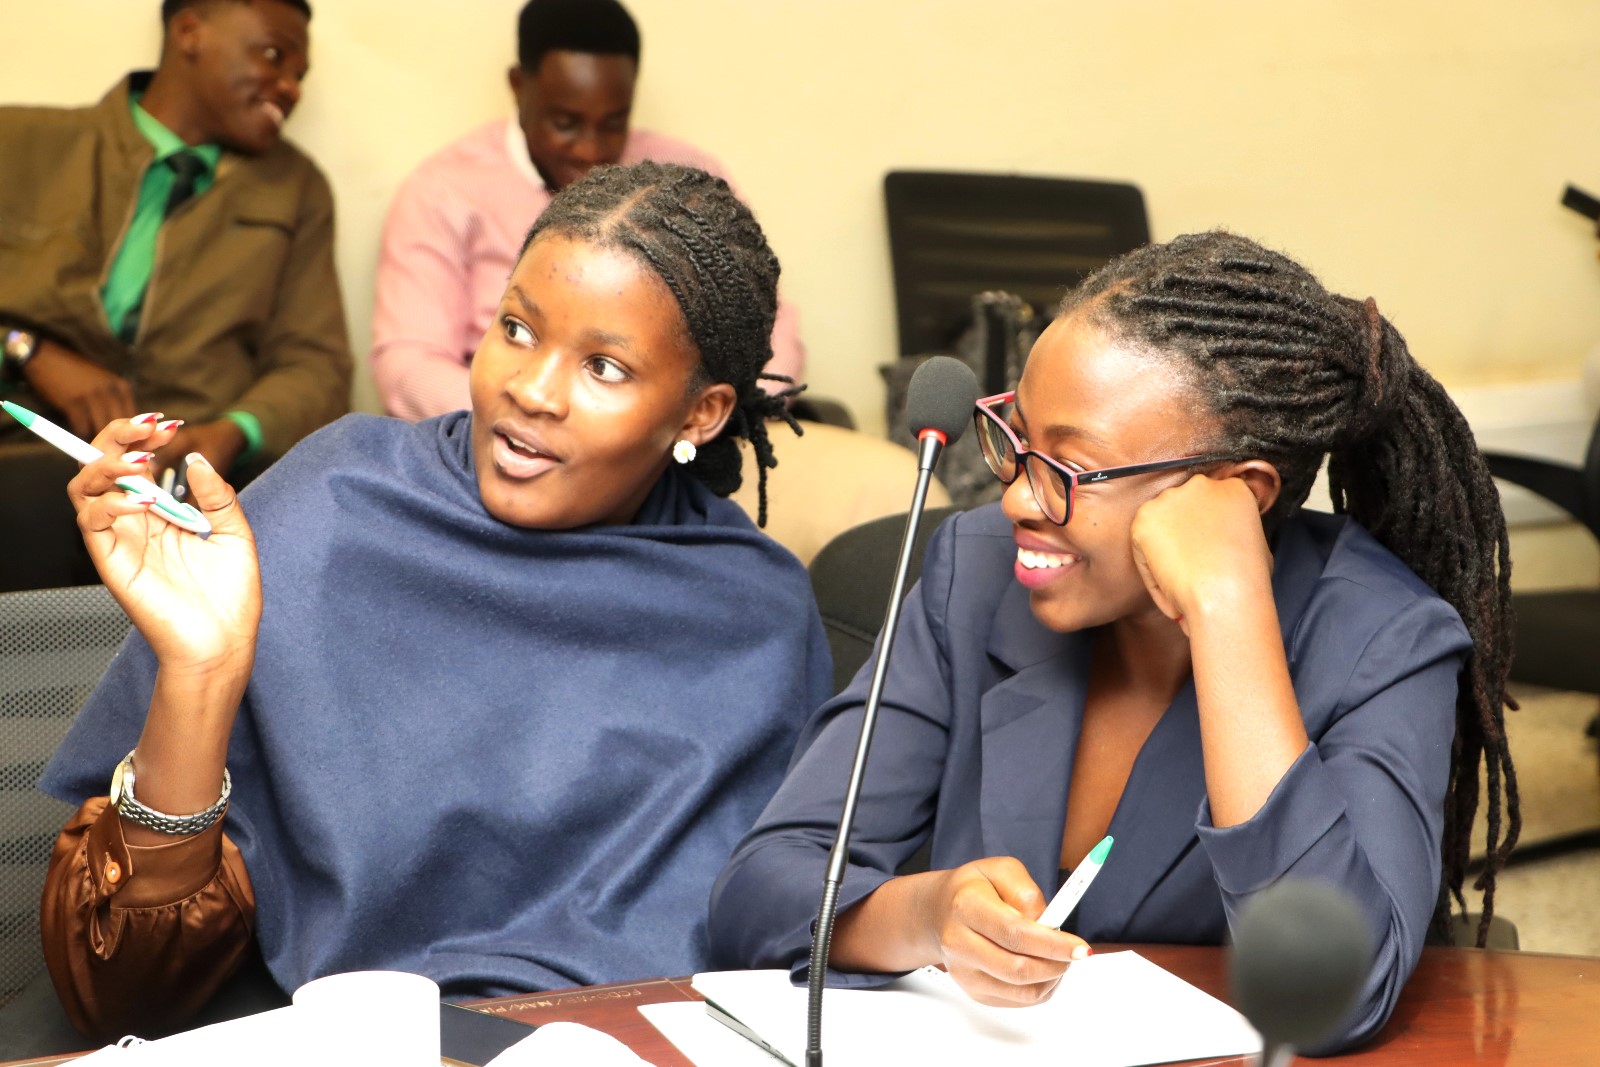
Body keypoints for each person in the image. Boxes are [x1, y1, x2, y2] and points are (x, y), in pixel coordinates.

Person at [33, 162, 831, 1045]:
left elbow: (764, 969)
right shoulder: (337, 502)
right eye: (517, 328)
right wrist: (201, 670)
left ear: (701, 415)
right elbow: (121, 995)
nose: (531, 389)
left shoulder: (752, 617)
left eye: (604, 366)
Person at [709, 231, 1520, 1054]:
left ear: (1236, 492)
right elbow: (760, 889)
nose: (1019, 497)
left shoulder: (1386, 637)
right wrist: (926, 915)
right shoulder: (978, 572)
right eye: (1016, 439)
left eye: (1070, 466)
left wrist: (1228, 608)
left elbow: (1336, 992)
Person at [370, 0, 805, 422]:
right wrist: (538, 422)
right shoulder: (445, 192)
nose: (591, 150)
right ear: (519, 87)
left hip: (671, 447)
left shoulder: (692, 182)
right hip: (501, 446)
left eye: (614, 123)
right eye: (566, 123)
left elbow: (770, 328)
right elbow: (408, 364)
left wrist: (714, 422)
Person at [0, 0, 350, 491]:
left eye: (300, 74)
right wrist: (23, 350)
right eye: (273, 56)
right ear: (190, 33)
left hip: (178, 485)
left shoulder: (295, 188)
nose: (291, 87)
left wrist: (233, 433)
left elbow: (316, 365)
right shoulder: (20, 144)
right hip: (21, 451)